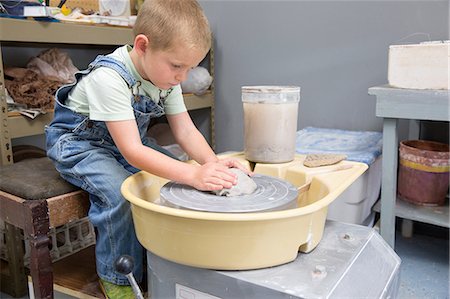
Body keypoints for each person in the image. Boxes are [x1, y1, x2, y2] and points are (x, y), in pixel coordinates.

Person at [45, 0, 248, 297]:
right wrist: (193, 175)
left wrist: (211, 164)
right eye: (177, 66)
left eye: (190, 68)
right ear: (142, 45)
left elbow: (185, 130)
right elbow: (133, 151)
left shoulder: (167, 79)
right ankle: (117, 278)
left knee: (176, 180)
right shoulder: (109, 78)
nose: (182, 77)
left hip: (125, 143)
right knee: (119, 192)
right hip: (78, 145)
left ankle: (157, 261)